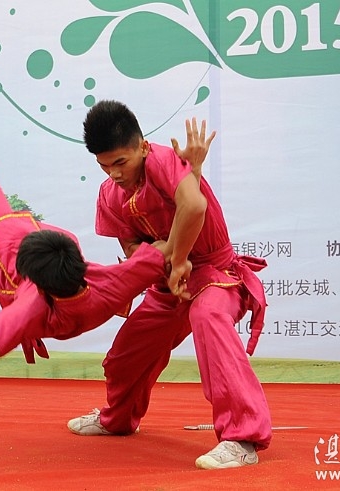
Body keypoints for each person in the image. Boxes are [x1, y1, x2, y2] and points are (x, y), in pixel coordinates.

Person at [0, 96, 209, 443]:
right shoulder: (112, 282)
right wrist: (191, 176)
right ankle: (1, 251)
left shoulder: (28, 304)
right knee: (66, 237)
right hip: (37, 250)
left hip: (6, 251)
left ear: (35, 282)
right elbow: (164, 249)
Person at [68, 100, 271, 470]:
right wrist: (159, 263)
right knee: (126, 353)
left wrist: (176, 255)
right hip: (165, 283)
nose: (114, 173)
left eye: (121, 162)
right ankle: (118, 419)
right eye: (104, 165)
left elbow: (194, 207)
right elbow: (132, 249)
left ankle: (242, 439)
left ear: (142, 146)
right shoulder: (109, 195)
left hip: (215, 274)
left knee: (209, 318)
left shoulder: (164, 161)